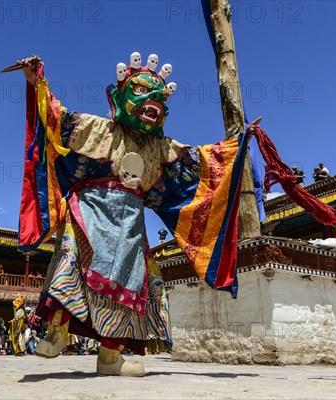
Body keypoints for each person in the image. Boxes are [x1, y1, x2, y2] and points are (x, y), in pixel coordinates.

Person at [15, 54, 249, 376]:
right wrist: (35, 80)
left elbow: (202, 163)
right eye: (140, 91)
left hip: (130, 225)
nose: (151, 100)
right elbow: (56, 119)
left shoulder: (163, 148)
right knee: (75, 263)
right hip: (91, 210)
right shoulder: (98, 129)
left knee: (130, 286)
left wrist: (238, 145)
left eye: (159, 97)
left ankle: (110, 357)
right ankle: (57, 331)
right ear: (117, 98)